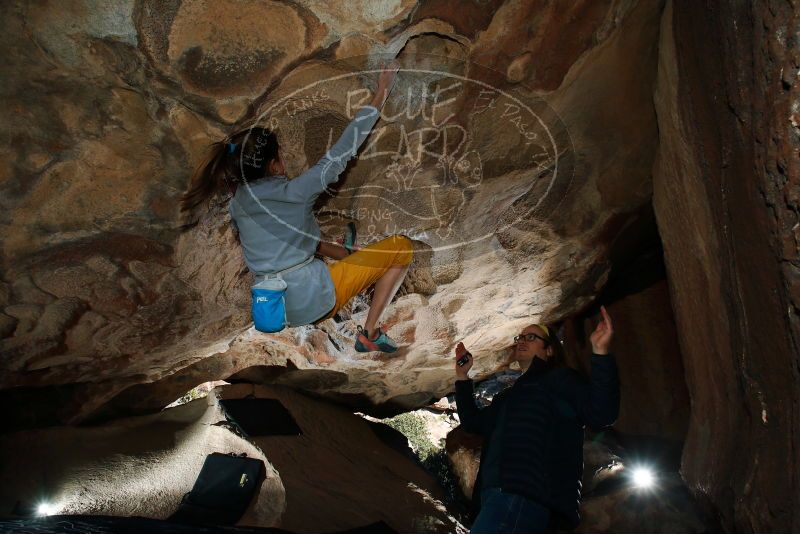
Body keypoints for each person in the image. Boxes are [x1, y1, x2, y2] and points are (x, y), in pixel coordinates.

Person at [180, 61, 413, 353]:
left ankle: (347, 254)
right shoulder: (295, 192)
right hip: (318, 299)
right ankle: (369, 332)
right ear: (274, 164)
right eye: (280, 154)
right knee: (402, 248)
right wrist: (381, 93)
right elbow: (343, 150)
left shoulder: (238, 202)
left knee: (299, 238)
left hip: (280, 308)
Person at [453, 306, 620, 533]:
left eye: (531, 337)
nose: (522, 341)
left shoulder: (558, 381)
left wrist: (600, 353)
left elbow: (602, 414)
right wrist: (463, 378)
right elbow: (474, 423)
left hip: (524, 498)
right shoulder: (508, 397)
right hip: (495, 497)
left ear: (549, 350)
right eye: (520, 337)